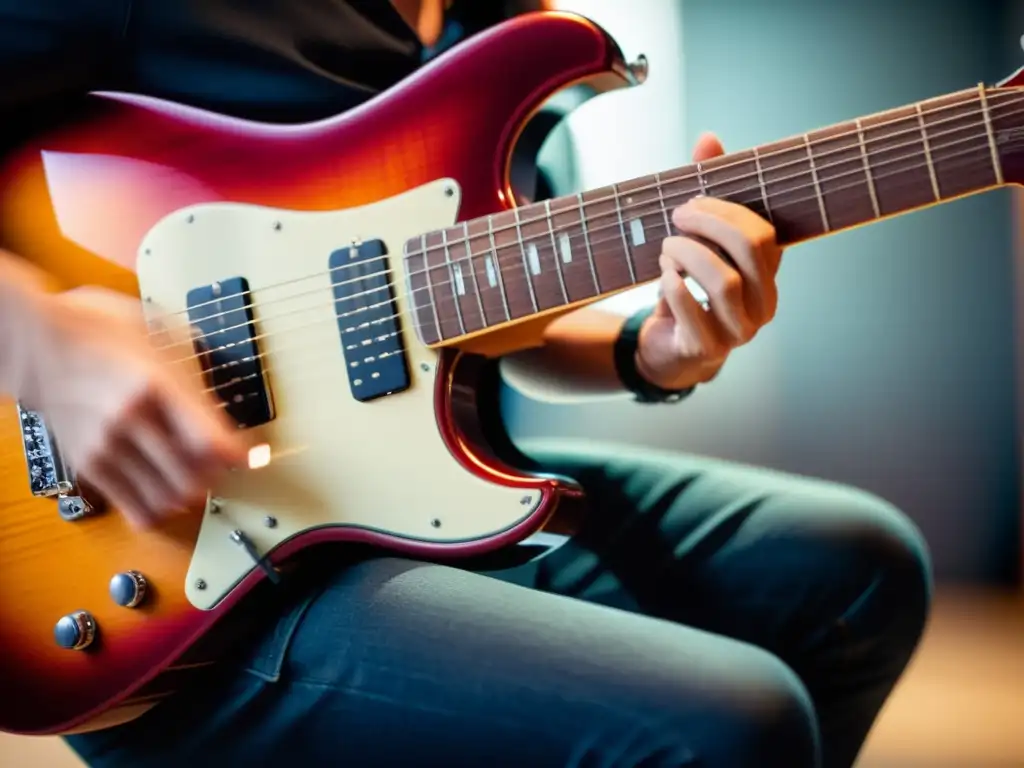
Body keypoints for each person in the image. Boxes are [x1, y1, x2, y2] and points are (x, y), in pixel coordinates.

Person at [0, 2, 932, 767]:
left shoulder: (502, 21)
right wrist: (46, 346)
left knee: (856, 568)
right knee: (734, 724)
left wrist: (646, 352)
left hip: (381, 498)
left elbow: (467, 299)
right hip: (194, 580)